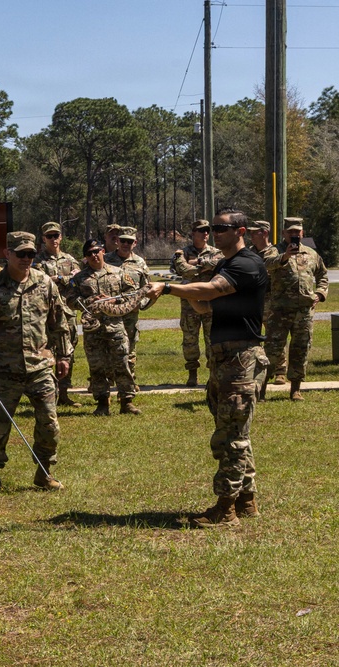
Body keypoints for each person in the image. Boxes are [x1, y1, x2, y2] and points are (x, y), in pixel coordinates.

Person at [146, 208, 267, 527]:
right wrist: (187, 288)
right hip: (224, 357)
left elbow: (212, 291)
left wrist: (168, 287)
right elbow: (204, 305)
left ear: (240, 231)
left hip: (241, 358)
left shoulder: (246, 263)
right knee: (233, 431)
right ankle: (246, 501)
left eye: (221, 228)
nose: (215, 233)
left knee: (231, 437)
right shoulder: (225, 264)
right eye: (213, 228)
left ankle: (225, 510)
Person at [0, 232, 72, 492]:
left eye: (30, 254)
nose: (26, 259)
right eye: (21, 254)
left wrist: (63, 355)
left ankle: (44, 472)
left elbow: (58, 323)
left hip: (39, 367)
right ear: (8, 254)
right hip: (3, 370)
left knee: (49, 423)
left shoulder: (44, 283)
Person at [69, 239, 140, 416]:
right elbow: (70, 299)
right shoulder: (79, 278)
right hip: (93, 330)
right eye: (89, 253)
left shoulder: (119, 273)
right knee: (97, 367)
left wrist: (115, 300)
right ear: (85, 257)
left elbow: (132, 294)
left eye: (96, 251)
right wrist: (88, 301)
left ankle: (127, 402)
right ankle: (102, 403)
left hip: (115, 327)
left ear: (103, 251)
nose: (94, 255)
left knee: (122, 364)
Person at [264, 217, 328, 400]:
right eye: (290, 231)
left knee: (301, 348)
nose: (294, 234)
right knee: (272, 349)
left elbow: (322, 275)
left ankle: (295, 389)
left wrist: (320, 293)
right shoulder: (274, 251)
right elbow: (266, 265)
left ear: (302, 233)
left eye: (297, 232)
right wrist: (285, 257)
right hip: (280, 310)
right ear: (283, 233)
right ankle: (261, 388)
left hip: (304, 311)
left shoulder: (311, 253)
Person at [32, 221, 82, 407]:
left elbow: (79, 279)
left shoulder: (70, 259)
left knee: (68, 351)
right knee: (47, 353)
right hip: (47, 314)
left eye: (56, 235)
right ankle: (48, 394)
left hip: (67, 312)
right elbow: (39, 281)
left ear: (60, 237)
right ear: (43, 238)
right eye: (49, 236)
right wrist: (67, 279)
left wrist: (60, 278)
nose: (53, 239)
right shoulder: (38, 261)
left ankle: (64, 393)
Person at [171, 219, 223, 386]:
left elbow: (219, 264)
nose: (205, 233)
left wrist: (198, 262)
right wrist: (205, 267)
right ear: (193, 233)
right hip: (189, 303)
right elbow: (183, 269)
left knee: (212, 339)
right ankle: (192, 373)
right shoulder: (182, 252)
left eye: (207, 230)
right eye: (201, 230)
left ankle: (212, 374)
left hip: (210, 301)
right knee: (190, 339)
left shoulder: (216, 251)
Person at [104, 226, 149, 384]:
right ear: (117, 241)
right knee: (108, 348)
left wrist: (140, 304)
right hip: (109, 314)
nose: (125, 244)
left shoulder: (140, 263)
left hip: (130, 315)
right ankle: (108, 382)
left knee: (130, 349)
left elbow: (147, 289)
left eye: (129, 242)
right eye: (122, 240)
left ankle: (129, 382)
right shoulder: (105, 260)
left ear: (135, 243)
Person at [247, 220, 277, 399]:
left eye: (254, 232)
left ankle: (278, 371)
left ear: (265, 233)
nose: (251, 235)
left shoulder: (274, 253)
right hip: (252, 301)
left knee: (273, 338)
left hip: (269, 301)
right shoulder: (249, 251)